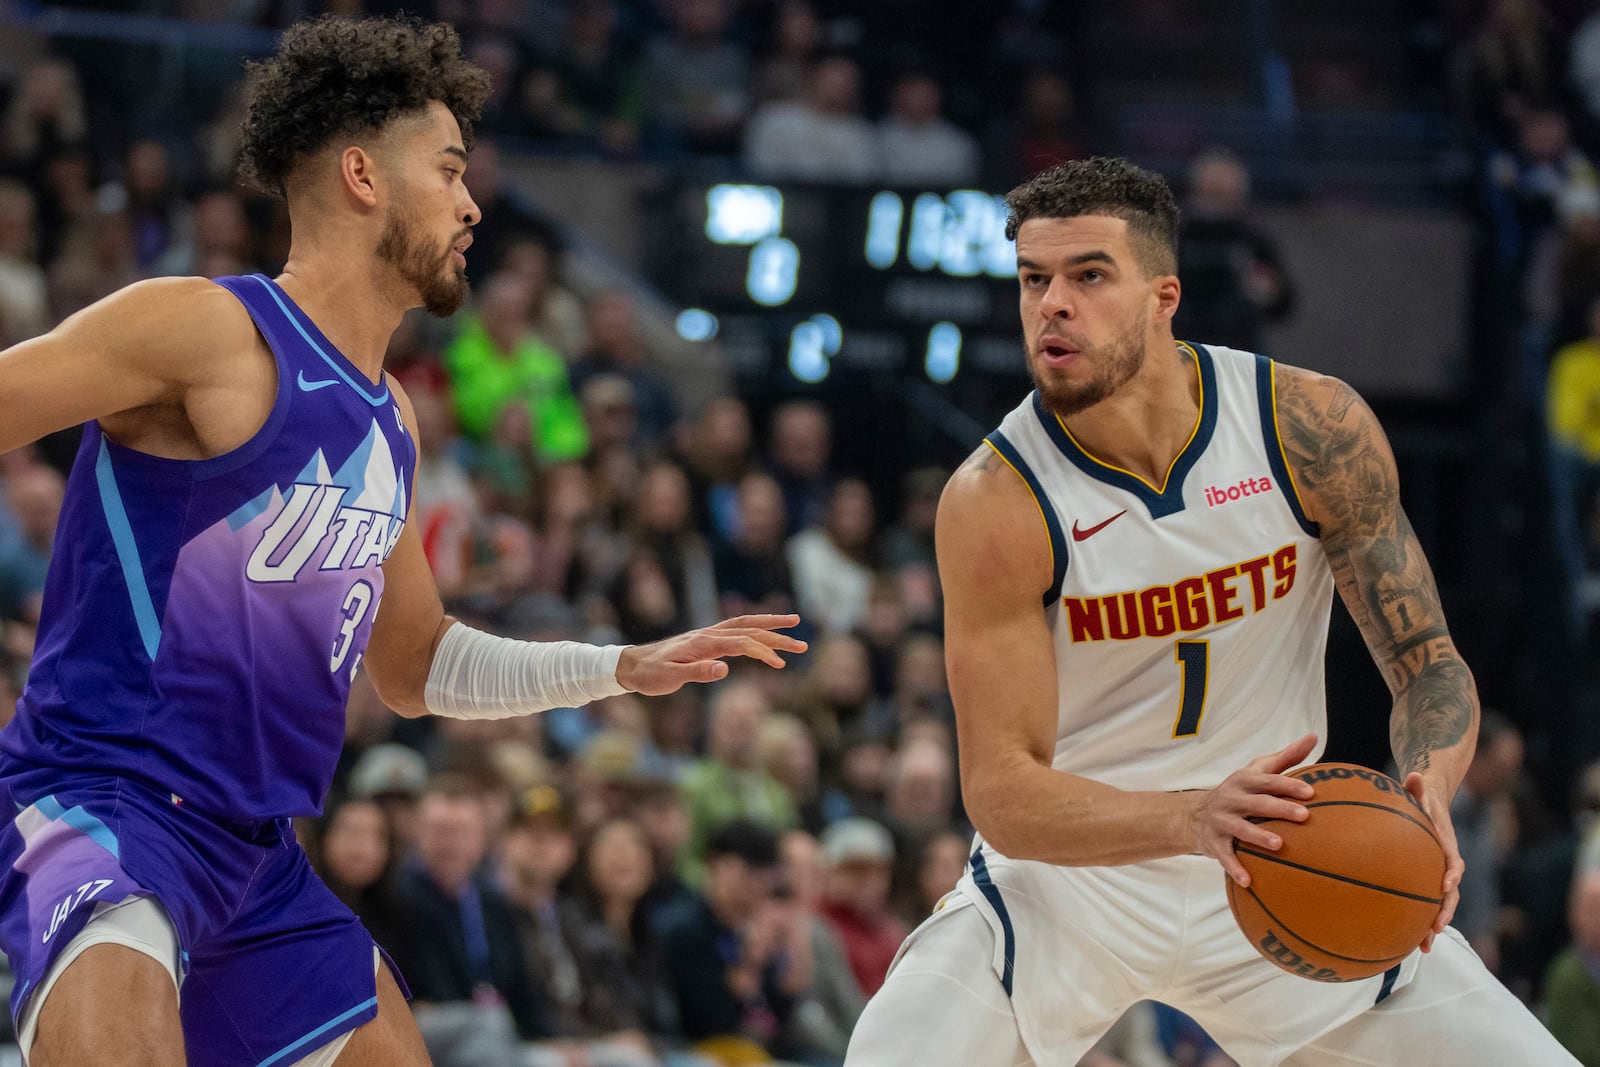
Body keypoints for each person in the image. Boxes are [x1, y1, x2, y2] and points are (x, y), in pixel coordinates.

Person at [0, 15, 806, 1067]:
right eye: (449, 169)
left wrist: (618, 665)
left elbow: (419, 666)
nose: (474, 204)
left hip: (255, 857)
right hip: (103, 804)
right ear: (361, 175)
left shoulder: (390, 424)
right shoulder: (205, 332)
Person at [843, 156, 1575, 1065]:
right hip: (1071, 887)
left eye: (1087, 275)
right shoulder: (997, 497)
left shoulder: (1306, 427)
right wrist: (1189, 816)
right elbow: (1001, 790)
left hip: (1286, 859)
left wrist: (1427, 790)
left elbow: (1427, 660)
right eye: (1034, 279)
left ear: (1163, 294)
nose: (1051, 305)